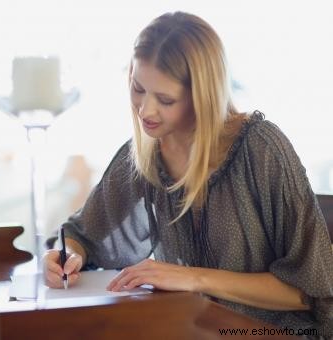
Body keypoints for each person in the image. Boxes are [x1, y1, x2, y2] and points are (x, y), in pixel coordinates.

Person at [43, 11, 333, 339]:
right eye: (138, 88)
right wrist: (65, 257)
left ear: (201, 97)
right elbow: (85, 235)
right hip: (190, 330)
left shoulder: (261, 149)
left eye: (165, 99)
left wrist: (192, 277)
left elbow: (312, 288)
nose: (145, 111)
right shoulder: (145, 153)